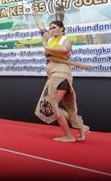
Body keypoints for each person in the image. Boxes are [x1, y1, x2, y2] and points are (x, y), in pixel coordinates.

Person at [31, 9, 89, 142]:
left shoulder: (65, 40)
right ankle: (80, 126)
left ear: (62, 29)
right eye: (50, 28)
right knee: (54, 104)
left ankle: (69, 135)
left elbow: (65, 50)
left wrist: (47, 48)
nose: (51, 30)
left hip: (61, 74)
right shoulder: (49, 39)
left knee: (52, 105)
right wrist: (34, 15)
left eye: (54, 27)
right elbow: (41, 27)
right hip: (53, 74)